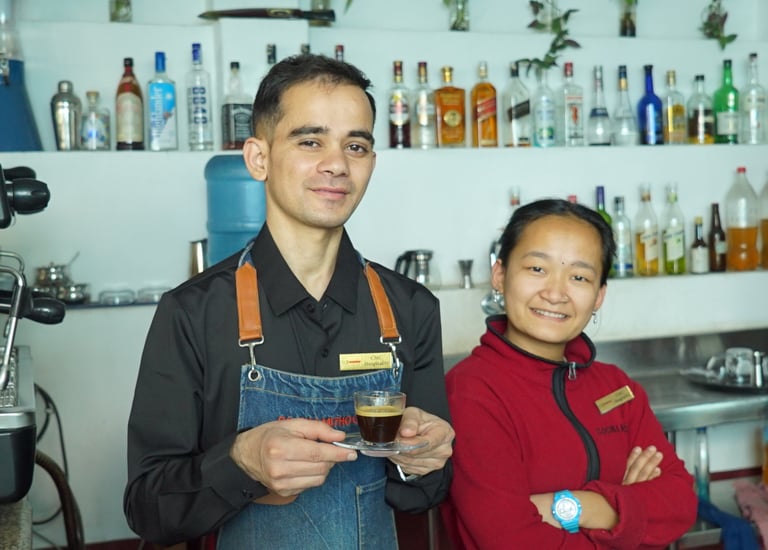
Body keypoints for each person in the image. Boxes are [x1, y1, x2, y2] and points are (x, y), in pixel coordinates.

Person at [124, 54, 454, 549]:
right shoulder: (193, 313)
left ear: (371, 164)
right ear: (259, 157)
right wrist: (240, 463)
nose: (337, 164)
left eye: (356, 145)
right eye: (310, 140)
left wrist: (423, 459)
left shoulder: (411, 309)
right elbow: (147, 509)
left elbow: (422, 496)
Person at [441, 199, 697, 549]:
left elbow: (681, 503)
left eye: (579, 277)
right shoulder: (471, 392)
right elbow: (510, 539)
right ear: (499, 275)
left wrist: (574, 506)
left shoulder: (617, 386)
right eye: (536, 269)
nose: (556, 293)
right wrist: (628, 512)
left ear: (598, 296)